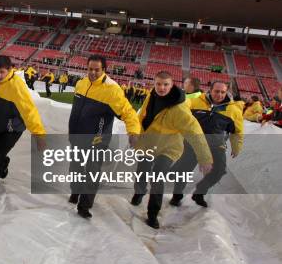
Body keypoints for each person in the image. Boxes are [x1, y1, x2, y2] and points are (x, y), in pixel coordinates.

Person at [131, 71, 213, 229]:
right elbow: (142, 116)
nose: (161, 88)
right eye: (158, 84)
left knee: (157, 177)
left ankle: (153, 214)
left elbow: (194, 131)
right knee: (142, 170)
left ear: (172, 84)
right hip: (148, 144)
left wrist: (204, 157)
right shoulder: (151, 95)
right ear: (154, 84)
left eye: (166, 84)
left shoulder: (179, 109)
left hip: (168, 148)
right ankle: (139, 191)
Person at [68, 55, 141, 218]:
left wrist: (133, 132)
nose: (93, 72)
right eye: (90, 69)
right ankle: (76, 191)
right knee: (76, 167)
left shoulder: (112, 89)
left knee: (92, 171)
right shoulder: (81, 84)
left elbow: (128, 112)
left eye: (97, 70)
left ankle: (84, 206)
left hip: (97, 139)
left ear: (104, 70)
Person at [0, 56, 46, 199]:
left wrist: (39, 134)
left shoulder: (17, 86)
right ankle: (4, 163)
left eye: (2, 72)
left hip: (13, 128)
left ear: (10, 70)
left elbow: (29, 111)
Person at [170, 81, 244, 207]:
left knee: (219, 170)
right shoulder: (195, 102)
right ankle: (177, 195)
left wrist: (236, 146)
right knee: (183, 170)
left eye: (222, 92)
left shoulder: (233, 110)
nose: (219, 94)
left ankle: (200, 192)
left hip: (216, 145)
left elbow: (237, 131)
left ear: (226, 92)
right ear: (210, 90)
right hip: (193, 142)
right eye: (216, 91)